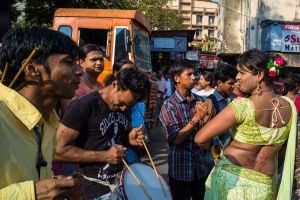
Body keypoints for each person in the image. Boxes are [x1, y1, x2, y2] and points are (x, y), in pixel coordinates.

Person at [194, 49, 297, 200]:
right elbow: (282, 152)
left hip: (231, 183)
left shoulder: (243, 106)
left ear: (259, 75)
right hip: (263, 188)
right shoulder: (290, 107)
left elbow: (200, 139)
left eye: (242, 73)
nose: (237, 78)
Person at [0, 26, 83, 199]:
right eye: (68, 62)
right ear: (32, 70)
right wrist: (32, 193)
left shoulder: (48, 120)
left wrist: (56, 187)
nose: (79, 71)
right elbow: (33, 191)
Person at [55, 68, 150, 199]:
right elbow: (57, 150)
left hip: (121, 185)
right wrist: (104, 156)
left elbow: (116, 138)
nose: (123, 109)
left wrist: (130, 139)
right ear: (115, 84)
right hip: (94, 189)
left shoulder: (125, 106)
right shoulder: (83, 106)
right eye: (121, 103)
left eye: (128, 106)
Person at [159, 60, 209, 200]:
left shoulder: (199, 100)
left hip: (199, 168)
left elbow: (205, 133)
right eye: (189, 74)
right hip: (180, 170)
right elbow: (176, 139)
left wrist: (205, 118)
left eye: (195, 74)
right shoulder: (169, 105)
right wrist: (196, 118)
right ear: (177, 78)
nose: (194, 77)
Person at [112, 59, 149, 164]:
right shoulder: (106, 100)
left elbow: (138, 128)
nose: (132, 76)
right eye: (127, 72)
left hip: (131, 153)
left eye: (134, 72)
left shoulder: (137, 101)